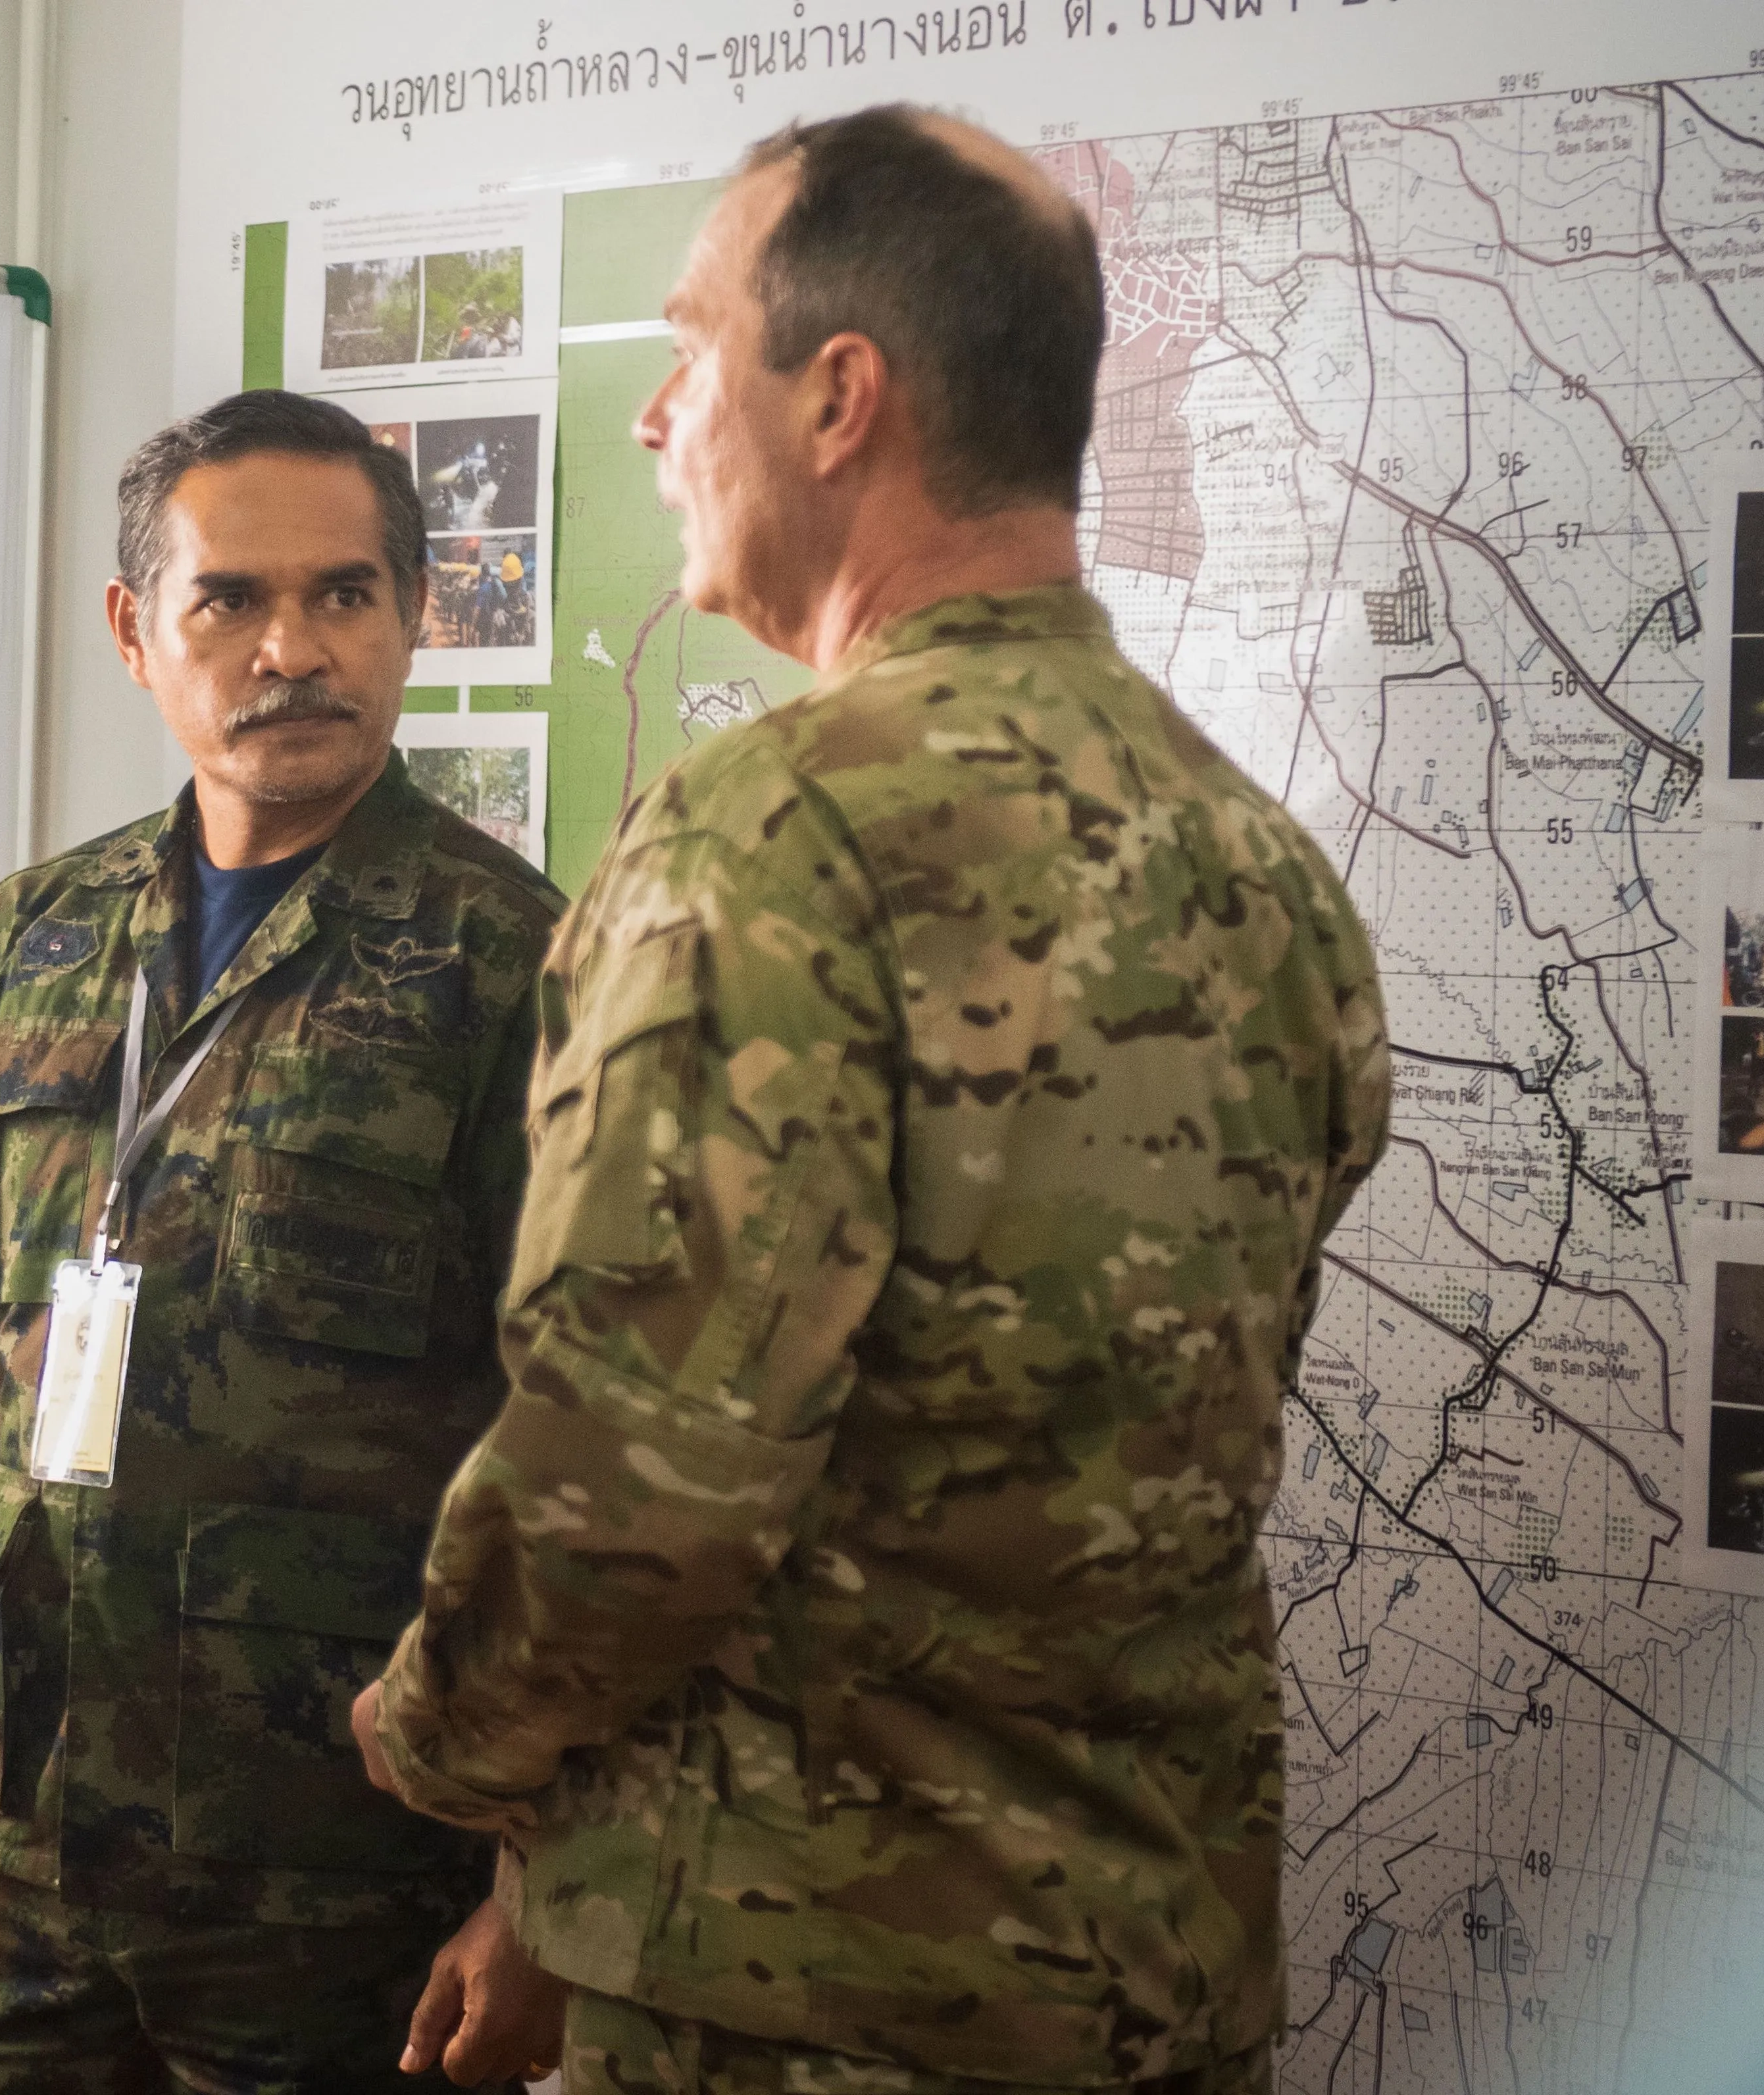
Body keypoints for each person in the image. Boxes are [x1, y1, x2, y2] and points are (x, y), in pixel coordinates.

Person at [351, 105, 1392, 2095]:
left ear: (840, 399)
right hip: (1157, 1980)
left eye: (689, 350)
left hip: (803, 1996)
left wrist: (433, 1739)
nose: (655, 421)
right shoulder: (1258, 863)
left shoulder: (771, 834)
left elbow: (640, 1482)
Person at [0, 389, 571, 2091]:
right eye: (229, 599)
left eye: (347, 596)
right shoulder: (35, 938)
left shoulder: (514, 968)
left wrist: (543, 1890)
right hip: (24, 1861)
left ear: (417, 616)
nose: (291, 648)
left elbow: (587, 1466)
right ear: (135, 632)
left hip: (348, 1884)